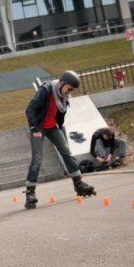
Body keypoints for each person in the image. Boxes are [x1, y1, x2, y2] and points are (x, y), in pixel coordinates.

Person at [24, 70, 95, 209]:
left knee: (66, 152)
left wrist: (59, 126)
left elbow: (59, 113)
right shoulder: (46, 90)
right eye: (69, 89)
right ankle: (30, 193)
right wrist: (34, 128)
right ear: (62, 83)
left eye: (72, 90)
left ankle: (79, 184)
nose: (70, 92)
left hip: (52, 127)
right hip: (38, 127)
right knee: (37, 159)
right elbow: (30, 109)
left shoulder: (63, 96)